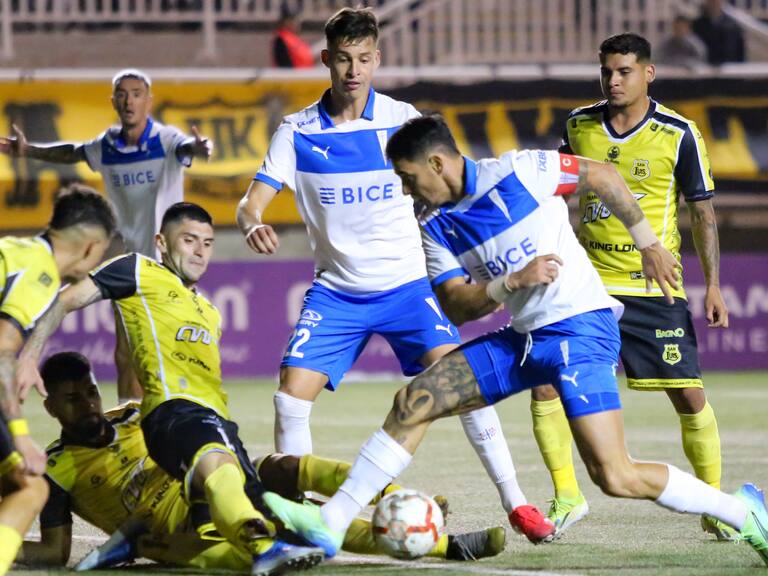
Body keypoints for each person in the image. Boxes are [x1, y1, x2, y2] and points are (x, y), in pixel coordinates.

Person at [257, 115, 768, 569]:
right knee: (416, 400)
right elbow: (457, 305)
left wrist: (649, 242)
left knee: (614, 475)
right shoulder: (435, 229)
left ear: (437, 163)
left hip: (580, 328)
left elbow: (603, 175)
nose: (408, 193)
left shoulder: (523, 171)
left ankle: (742, 511)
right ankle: (331, 522)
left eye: (409, 180)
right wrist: (511, 283)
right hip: (524, 338)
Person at [237, 6, 553, 542]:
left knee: (462, 385)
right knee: (290, 396)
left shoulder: (403, 122)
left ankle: (516, 502)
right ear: (326, 61)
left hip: (409, 287)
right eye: (342, 60)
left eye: (363, 59)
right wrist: (252, 224)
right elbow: (251, 203)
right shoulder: (297, 132)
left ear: (377, 58)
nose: (353, 71)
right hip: (338, 291)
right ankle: (299, 510)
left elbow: (449, 187)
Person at [17, 202, 325, 575]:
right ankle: (256, 544)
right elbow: (67, 301)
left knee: (293, 507)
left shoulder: (208, 311)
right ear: (161, 242)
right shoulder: (137, 270)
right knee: (255, 520)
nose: (200, 250)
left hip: (208, 434)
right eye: (190, 240)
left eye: (208, 242)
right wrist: (28, 356)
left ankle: (377, 512)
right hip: (178, 425)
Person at [17, 351, 506, 571]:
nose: (87, 404)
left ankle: (403, 503)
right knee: (297, 531)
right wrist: (10, 549)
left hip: (212, 487)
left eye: (89, 392)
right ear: (50, 408)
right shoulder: (55, 467)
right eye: (72, 399)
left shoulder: (133, 415)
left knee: (283, 467)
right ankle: (445, 547)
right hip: (170, 533)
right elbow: (53, 552)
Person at [529, 32, 735, 541]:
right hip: (587, 287)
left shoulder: (679, 132)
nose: (614, 80)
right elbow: (557, 192)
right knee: (545, 381)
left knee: (688, 397)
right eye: (606, 72)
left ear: (648, 72)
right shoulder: (578, 125)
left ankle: (717, 505)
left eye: (624, 71)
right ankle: (567, 497)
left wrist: (712, 285)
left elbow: (702, 213)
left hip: (653, 290)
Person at [0, 68, 213, 404]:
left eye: (137, 93)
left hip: (168, 267)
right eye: (122, 94)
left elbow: (191, 147)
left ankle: (178, 415)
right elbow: (72, 152)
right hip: (130, 263)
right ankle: (131, 427)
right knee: (125, 355)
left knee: (166, 352)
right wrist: (29, 151)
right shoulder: (107, 147)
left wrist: (201, 148)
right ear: (113, 100)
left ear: (149, 100)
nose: (129, 100)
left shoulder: (166, 140)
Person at [0, 186, 116, 576]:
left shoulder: (17, 252)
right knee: (30, 488)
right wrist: (19, 433)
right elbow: (0, 351)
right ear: (91, 248)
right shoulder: (42, 274)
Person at [692, 0, 745, 65]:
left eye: (717, 1)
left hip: (729, 67)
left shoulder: (732, 25)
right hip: (705, 67)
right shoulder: (697, 25)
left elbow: (739, 50)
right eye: (711, 1)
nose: (714, 4)